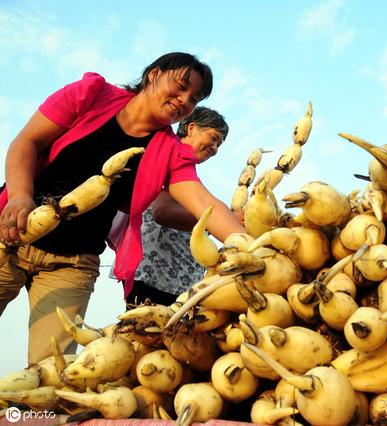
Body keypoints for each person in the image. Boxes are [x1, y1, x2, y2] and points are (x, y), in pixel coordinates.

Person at [0, 52, 245, 365]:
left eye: (193, 98)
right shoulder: (90, 95)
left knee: (51, 371)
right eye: (180, 86)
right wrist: (20, 195)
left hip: (71, 264)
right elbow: (27, 142)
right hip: (11, 235)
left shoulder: (169, 151)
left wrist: (246, 245)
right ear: (153, 74)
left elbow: (204, 203)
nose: (184, 100)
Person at [125, 107, 232, 307]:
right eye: (213, 138)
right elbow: (162, 212)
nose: (215, 148)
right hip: (155, 278)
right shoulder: (166, 158)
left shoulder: (188, 177)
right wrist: (224, 220)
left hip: (182, 283)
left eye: (219, 144)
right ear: (191, 128)